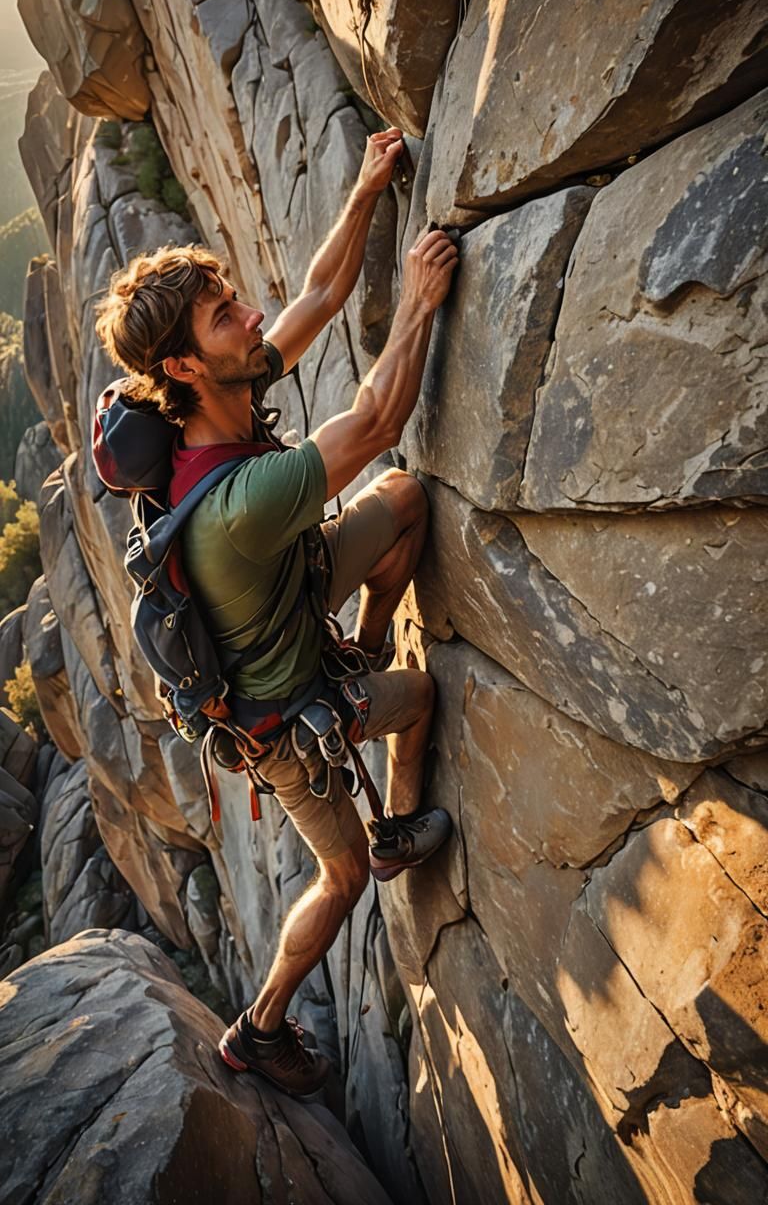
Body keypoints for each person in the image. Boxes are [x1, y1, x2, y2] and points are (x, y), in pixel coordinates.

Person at [95, 126, 459, 1096]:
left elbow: (320, 297)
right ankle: (260, 1025)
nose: (250, 317)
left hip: (298, 603)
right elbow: (378, 419)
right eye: (224, 317)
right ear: (181, 367)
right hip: (279, 724)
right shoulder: (232, 504)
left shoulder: (220, 395)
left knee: (406, 503)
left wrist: (374, 182)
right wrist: (423, 304)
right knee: (359, 836)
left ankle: (363, 650)